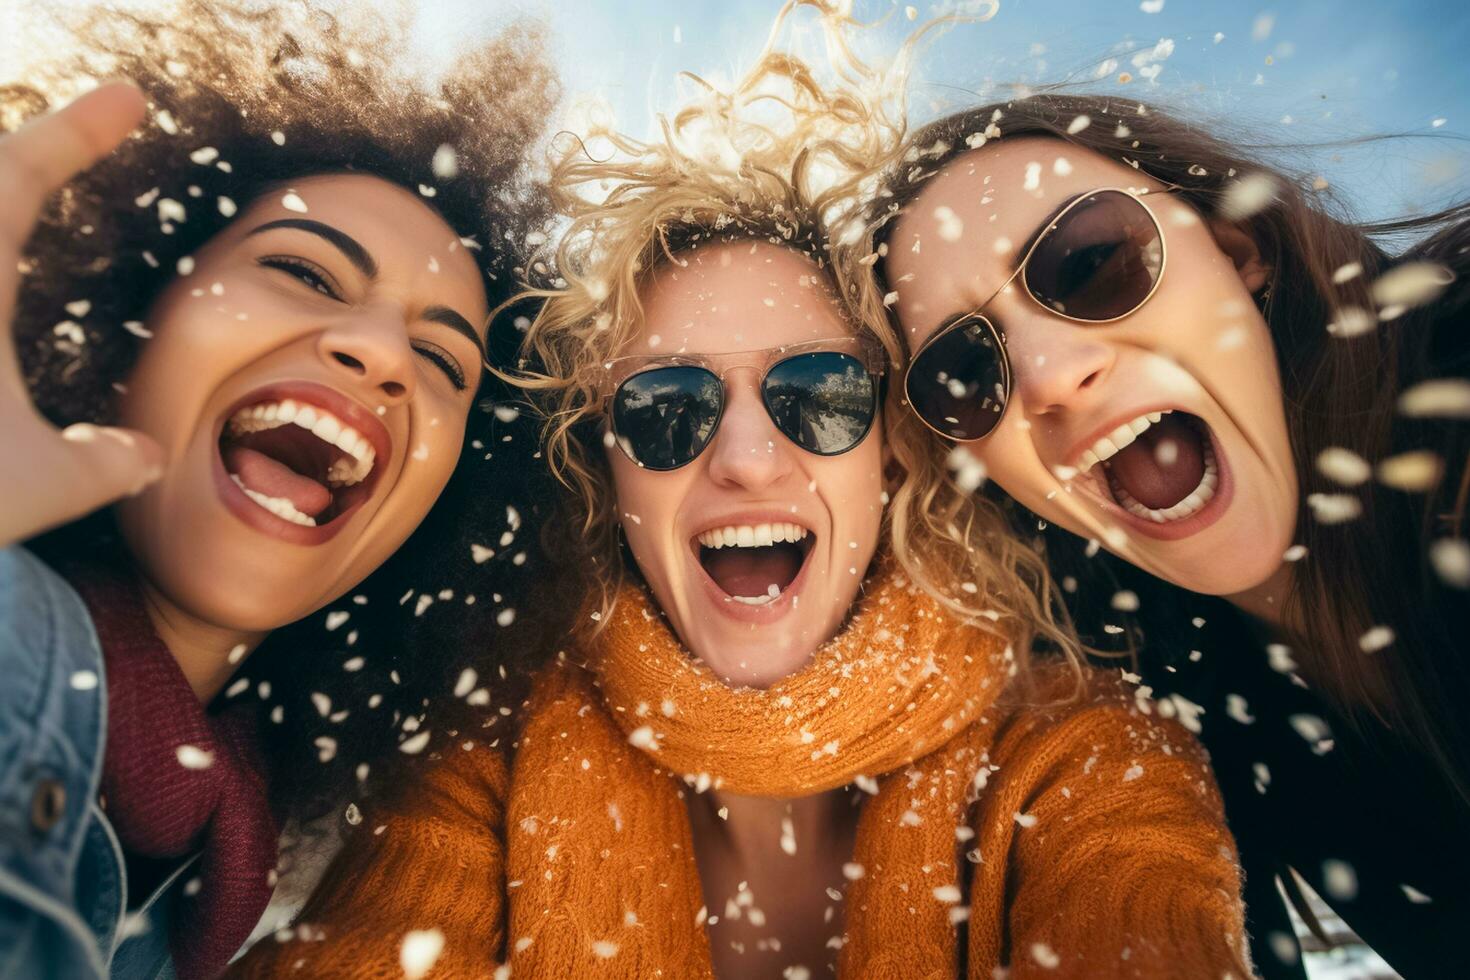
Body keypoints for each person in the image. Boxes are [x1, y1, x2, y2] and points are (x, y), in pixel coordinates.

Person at [230, 25, 1253, 979]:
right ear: (610, 473)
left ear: (894, 454)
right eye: (668, 407)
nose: (747, 456)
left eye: (821, 392)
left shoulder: (1085, 751)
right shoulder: (482, 767)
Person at [0, 2, 557, 976]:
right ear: (133, 306)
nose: (382, 350)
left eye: (440, 357)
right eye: (304, 269)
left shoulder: (228, 890)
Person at [856, 92, 1469, 977]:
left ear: (1235, 251)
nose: (1049, 378)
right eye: (964, 371)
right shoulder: (1162, 696)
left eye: (1089, 263)